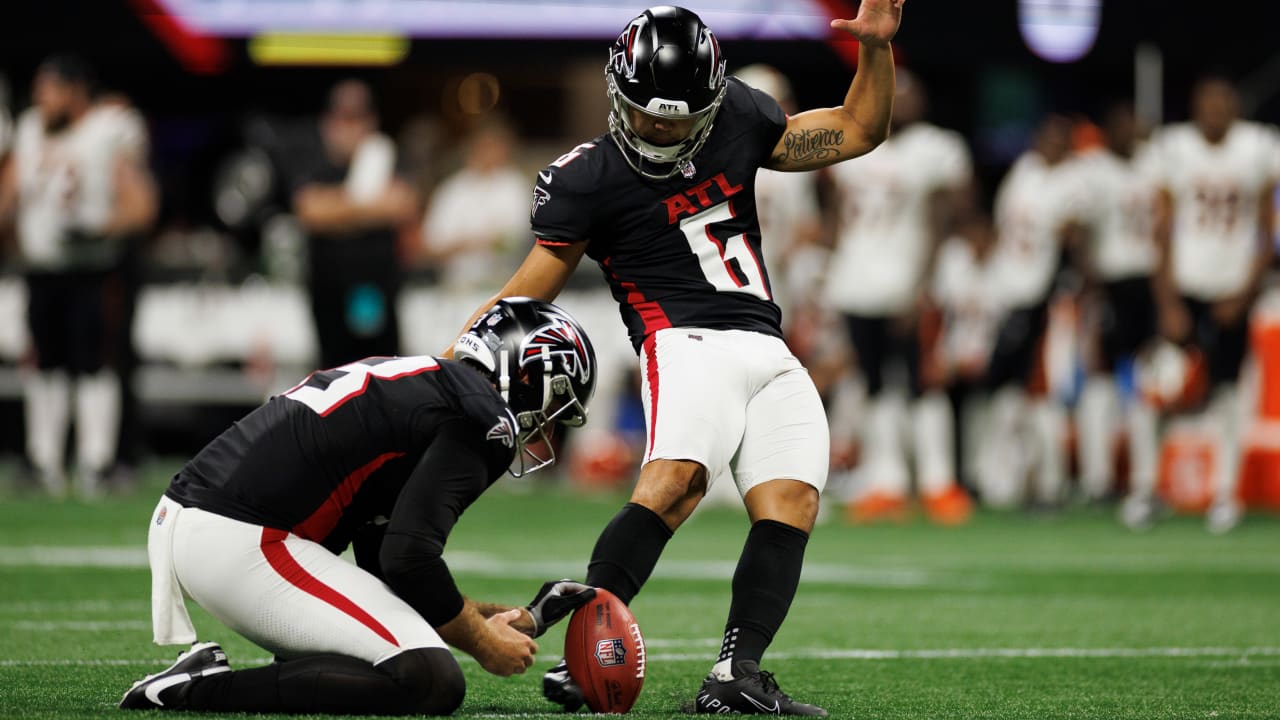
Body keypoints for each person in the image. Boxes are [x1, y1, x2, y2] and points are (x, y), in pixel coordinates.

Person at [446, 4, 905, 715]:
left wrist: (874, 50)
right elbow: (523, 297)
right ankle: (581, 650)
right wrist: (448, 365)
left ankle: (735, 674)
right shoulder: (587, 177)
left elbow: (857, 129)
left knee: (792, 501)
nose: (662, 130)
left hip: (768, 343)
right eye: (648, 115)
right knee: (675, 484)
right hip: (682, 340)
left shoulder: (742, 118)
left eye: (679, 118)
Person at [119, 297, 599, 715]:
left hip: (208, 525)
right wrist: (480, 642)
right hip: (242, 535)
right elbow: (408, 557)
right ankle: (194, 690)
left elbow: (383, 564)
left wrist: (482, 617)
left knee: (376, 657)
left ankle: (199, 679)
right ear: (529, 373)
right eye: (558, 402)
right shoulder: (483, 416)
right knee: (430, 679)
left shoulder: (428, 387)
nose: (549, 429)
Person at [1121, 75, 1280, 533]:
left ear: (1235, 107)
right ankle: (1145, 488)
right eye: (1207, 102)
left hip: (1233, 287)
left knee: (1230, 394)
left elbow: (1268, 230)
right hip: (1185, 286)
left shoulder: (1258, 145)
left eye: (1223, 102)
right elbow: (1162, 229)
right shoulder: (1174, 147)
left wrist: (1246, 293)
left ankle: (1226, 493)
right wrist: (1168, 301)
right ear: (1194, 107)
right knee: (1156, 391)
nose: (1215, 111)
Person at [0, 54, 157, 498]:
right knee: (43, 365)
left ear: (74, 91)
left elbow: (141, 204)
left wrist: (99, 227)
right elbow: (9, 193)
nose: (39, 99)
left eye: (48, 88)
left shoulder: (109, 128)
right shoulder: (30, 129)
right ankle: (43, 460)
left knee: (94, 365)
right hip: (41, 269)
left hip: (92, 269)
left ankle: (96, 462)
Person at [823, 66, 975, 525]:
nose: (901, 103)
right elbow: (836, 214)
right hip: (855, 280)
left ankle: (938, 481)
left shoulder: (937, 149)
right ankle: (886, 481)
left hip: (908, 283)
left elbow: (953, 217)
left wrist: (923, 287)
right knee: (871, 384)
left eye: (909, 94)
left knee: (922, 382)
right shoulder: (850, 142)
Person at [977, 114, 1087, 508]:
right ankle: (1005, 478)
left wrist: (1051, 295)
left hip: (1047, 301)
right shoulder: (1025, 170)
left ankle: (1050, 482)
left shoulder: (1074, 181)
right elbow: (1004, 226)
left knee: (1044, 392)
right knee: (1006, 391)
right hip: (1007, 293)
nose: (1051, 145)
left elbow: (1072, 244)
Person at [290, 79, 417, 370]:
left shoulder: (386, 158)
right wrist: (368, 205)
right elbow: (310, 212)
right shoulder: (314, 163)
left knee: (382, 376)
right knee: (331, 378)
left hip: (377, 293)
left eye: (356, 119)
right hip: (329, 295)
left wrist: (340, 210)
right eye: (342, 119)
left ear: (371, 122)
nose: (348, 129)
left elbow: (402, 205)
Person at [1071, 101, 1160, 503]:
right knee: (1102, 378)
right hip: (1110, 282)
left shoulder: (1155, 163)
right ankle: (1098, 476)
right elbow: (1080, 232)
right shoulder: (1094, 170)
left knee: (1147, 381)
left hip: (1150, 280)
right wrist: (1092, 282)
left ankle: (1146, 478)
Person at [421, 118, 531, 290]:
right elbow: (431, 245)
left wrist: (465, 244)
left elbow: (517, 239)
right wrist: (482, 242)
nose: (489, 153)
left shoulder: (516, 186)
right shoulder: (452, 190)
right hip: (456, 285)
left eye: (494, 146)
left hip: (506, 285)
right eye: (484, 146)